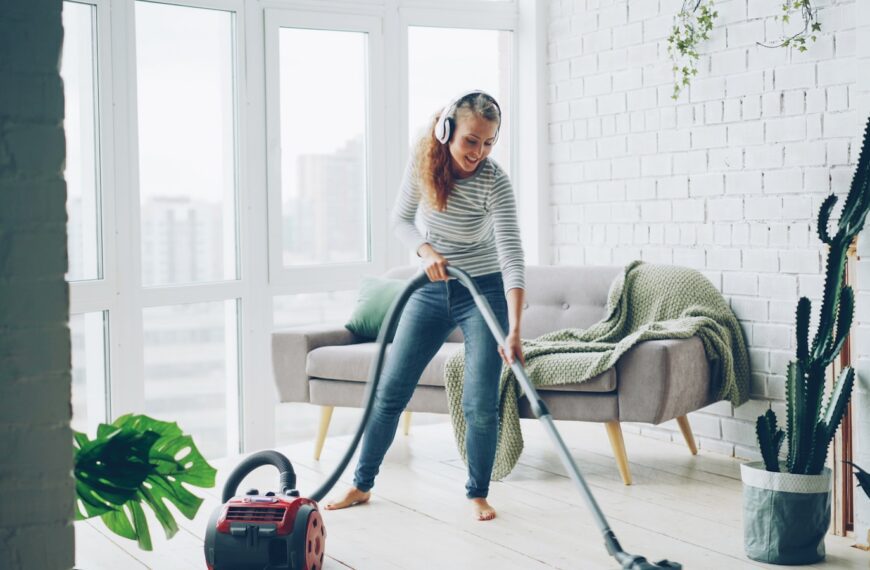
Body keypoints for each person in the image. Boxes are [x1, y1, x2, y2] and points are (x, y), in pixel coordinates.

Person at [325, 91, 525, 521]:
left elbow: (511, 256)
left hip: (482, 293)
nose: (479, 152)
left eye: (489, 143)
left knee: (480, 402)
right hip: (431, 289)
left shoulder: (494, 181)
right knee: (390, 391)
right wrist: (426, 249)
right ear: (446, 130)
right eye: (472, 140)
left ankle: (478, 492)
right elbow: (399, 218)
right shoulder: (424, 165)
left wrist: (514, 330)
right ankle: (361, 484)